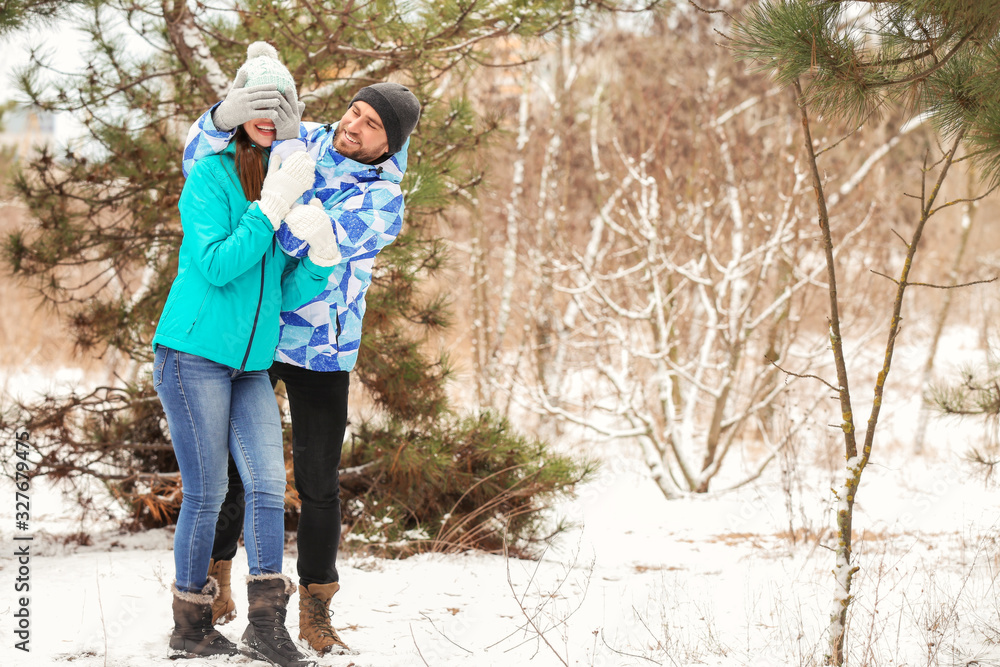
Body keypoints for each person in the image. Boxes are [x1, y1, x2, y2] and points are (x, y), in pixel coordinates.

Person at [182, 66, 421, 656]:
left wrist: (285, 175)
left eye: (371, 126)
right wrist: (223, 115)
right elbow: (201, 160)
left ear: (390, 144)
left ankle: (316, 607)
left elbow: (295, 234)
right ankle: (217, 586)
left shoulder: (383, 200)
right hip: (259, 333)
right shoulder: (305, 137)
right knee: (235, 469)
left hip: (321, 349)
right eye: (355, 112)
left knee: (317, 483)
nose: (354, 126)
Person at [154, 42, 341, 667]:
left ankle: (266, 624)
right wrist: (269, 210)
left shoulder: (281, 177)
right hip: (193, 354)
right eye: (258, 103)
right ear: (239, 112)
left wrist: (317, 259)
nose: (269, 114)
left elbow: (279, 292)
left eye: (280, 104)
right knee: (207, 493)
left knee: (267, 485)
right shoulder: (208, 178)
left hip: (251, 365)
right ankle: (190, 624)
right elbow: (215, 265)